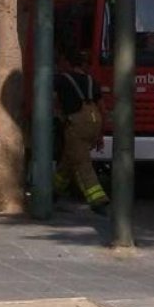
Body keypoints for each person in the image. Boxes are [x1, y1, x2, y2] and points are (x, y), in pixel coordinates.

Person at [53, 49, 109, 215]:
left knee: (83, 162)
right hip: (95, 120)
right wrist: (100, 134)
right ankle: (54, 191)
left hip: (77, 123)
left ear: (67, 63)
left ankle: (98, 200)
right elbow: (103, 110)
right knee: (69, 158)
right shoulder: (92, 80)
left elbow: (54, 103)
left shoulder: (61, 79)